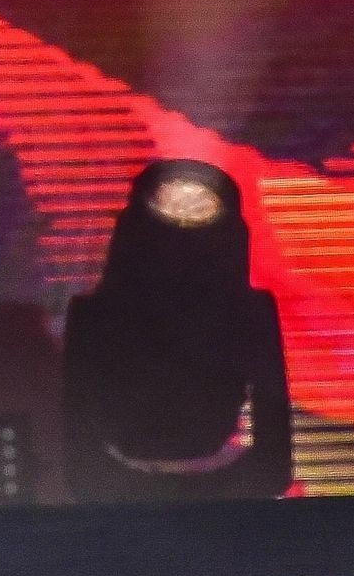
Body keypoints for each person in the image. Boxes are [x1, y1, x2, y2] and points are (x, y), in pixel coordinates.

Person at [63, 159, 292, 501]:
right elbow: (77, 437)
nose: (184, 217)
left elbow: (273, 454)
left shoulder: (250, 313)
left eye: (197, 206)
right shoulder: (92, 317)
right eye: (173, 204)